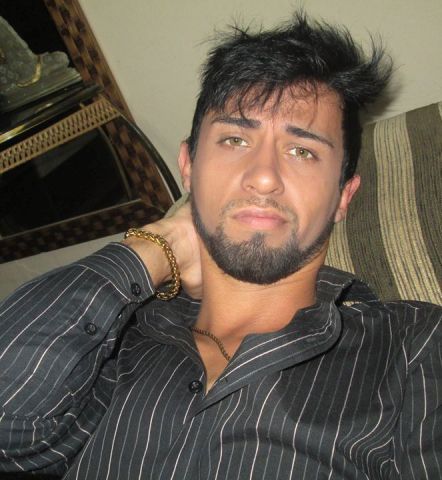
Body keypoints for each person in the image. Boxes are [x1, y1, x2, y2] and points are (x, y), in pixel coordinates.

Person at [0, 12, 440, 480]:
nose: (264, 177)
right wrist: (158, 245)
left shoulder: (413, 343)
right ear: (188, 167)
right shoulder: (115, 344)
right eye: (234, 139)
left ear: (343, 197)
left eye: (302, 151)